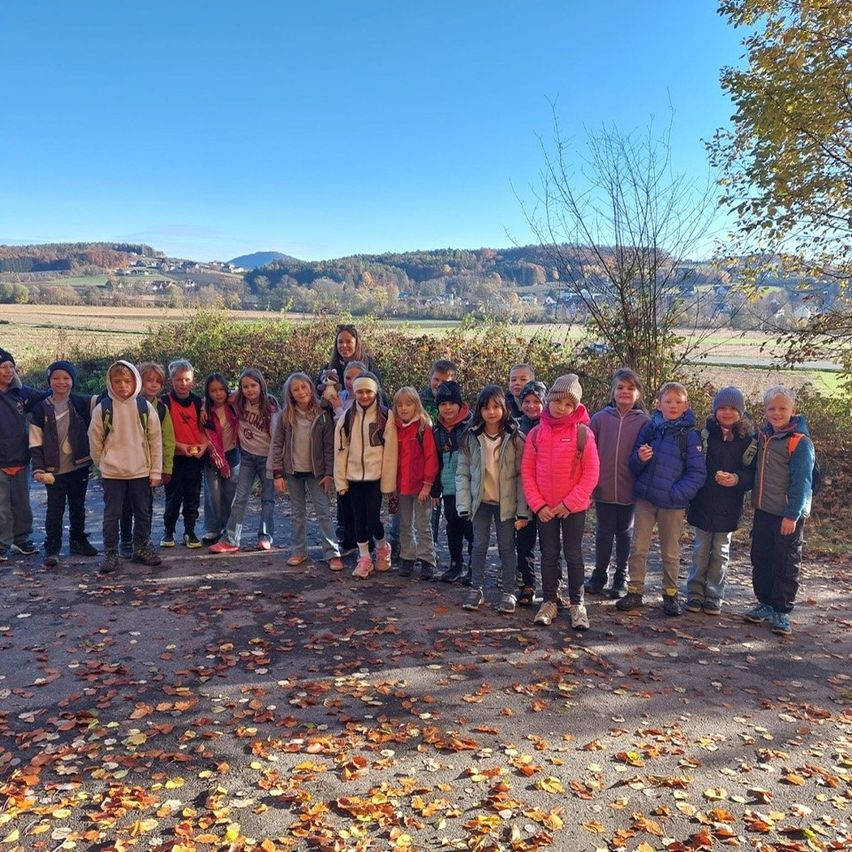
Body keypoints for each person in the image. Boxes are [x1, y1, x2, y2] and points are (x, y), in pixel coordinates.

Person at [616, 381, 706, 616]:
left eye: (678, 402)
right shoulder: (650, 428)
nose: (673, 406)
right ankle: (634, 591)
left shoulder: (690, 435)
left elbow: (697, 473)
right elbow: (633, 464)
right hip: (646, 499)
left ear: (686, 406)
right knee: (638, 548)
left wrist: (676, 494)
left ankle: (670, 595)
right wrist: (640, 458)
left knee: (670, 551)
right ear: (659, 404)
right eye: (668, 401)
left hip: (672, 504)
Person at [522, 375, 600, 629]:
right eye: (557, 402)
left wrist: (569, 504)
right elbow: (528, 473)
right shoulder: (535, 435)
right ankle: (549, 600)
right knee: (549, 555)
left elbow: (591, 473)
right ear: (549, 402)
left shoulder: (583, 434)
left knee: (574, 554)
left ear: (575, 407)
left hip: (572, 509)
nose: (561, 408)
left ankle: (577, 603)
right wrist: (539, 506)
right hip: (545, 509)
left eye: (568, 404)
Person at [744, 386, 814, 636]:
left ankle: (781, 611)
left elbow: (802, 482)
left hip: (787, 515)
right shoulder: (762, 437)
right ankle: (764, 602)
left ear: (793, 410)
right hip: (764, 510)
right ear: (764, 411)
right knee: (761, 558)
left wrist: (792, 515)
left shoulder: (799, 442)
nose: (777, 413)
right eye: (772, 408)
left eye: (782, 408)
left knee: (785, 563)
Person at [457, 385, 529, 614]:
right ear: (480, 410)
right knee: (478, 546)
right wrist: (463, 505)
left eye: (495, 407)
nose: (491, 412)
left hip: (505, 504)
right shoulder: (471, 437)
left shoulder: (516, 438)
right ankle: (476, 589)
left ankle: (508, 592)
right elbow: (463, 473)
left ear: (504, 408)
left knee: (507, 547)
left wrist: (522, 511)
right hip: (481, 503)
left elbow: (521, 476)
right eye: (486, 407)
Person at [686, 386, 756, 616]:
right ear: (715, 411)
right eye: (722, 408)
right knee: (700, 550)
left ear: (741, 412)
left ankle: (714, 595)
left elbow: (752, 475)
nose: (727, 413)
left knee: (720, 552)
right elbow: (693, 466)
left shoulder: (749, 442)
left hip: (729, 505)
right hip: (703, 503)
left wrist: (736, 479)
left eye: (732, 409)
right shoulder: (703, 436)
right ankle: (695, 593)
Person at [88, 360, 162, 573]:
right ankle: (111, 552)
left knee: (142, 512)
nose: (122, 386)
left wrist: (155, 470)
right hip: (112, 473)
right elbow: (95, 440)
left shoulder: (144, 407)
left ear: (135, 382)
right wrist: (102, 464)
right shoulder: (104, 408)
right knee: (112, 514)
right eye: (117, 381)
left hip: (140, 470)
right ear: (110, 383)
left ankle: (141, 547)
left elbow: (155, 440)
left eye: (127, 381)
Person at [585, 368, 650, 598]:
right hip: (602, 487)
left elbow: (647, 457)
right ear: (612, 392)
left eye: (630, 388)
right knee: (603, 531)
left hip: (630, 489)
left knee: (624, 532)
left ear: (638, 394)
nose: (624, 392)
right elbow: (587, 453)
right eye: (620, 387)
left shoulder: (644, 422)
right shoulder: (600, 419)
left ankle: (620, 577)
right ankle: (599, 574)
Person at [268, 372, 342, 570]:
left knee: (323, 512)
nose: (301, 392)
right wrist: (278, 474)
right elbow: (277, 445)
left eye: (304, 387)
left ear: (311, 387)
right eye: (296, 389)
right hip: (293, 471)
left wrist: (329, 474)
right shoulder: (286, 416)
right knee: (297, 513)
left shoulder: (322, 415)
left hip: (316, 473)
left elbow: (329, 447)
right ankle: (299, 551)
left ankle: (332, 553)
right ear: (290, 394)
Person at [28, 360, 98, 567]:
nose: (61, 382)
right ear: (49, 381)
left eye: (66, 378)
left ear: (73, 381)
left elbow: (106, 399)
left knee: (78, 506)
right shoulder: (41, 409)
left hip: (79, 466)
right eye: (56, 378)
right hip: (53, 470)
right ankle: (52, 547)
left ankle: (78, 540)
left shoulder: (80, 403)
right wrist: (38, 468)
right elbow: (35, 442)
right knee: (55, 509)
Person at [333, 371, 396, 579]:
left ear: (375, 392)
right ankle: (364, 558)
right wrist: (340, 481)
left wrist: (388, 484)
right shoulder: (347, 417)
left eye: (368, 391)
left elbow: (390, 453)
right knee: (358, 520)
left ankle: (381, 546)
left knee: (372, 520)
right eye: (360, 392)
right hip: (353, 477)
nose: (364, 396)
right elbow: (340, 451)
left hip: (375, 477)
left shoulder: (385, 416)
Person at [210, 368, 278, 553]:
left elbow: (276, 436)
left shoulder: (270, 405)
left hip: (266, 458)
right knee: (239, 498)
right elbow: (214, 400)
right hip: (246, 456)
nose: (249, 390)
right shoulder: (238, 401)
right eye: (245, 386)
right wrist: (202, 407)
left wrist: (277, 463)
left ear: (261, 385)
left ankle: (265, 537)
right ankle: (231, 539)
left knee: (267, 499)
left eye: (253, 385)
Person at [119, 362, 175, 558]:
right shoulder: (125, 403)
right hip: (125, 466)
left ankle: (143, 540)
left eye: (158, 382)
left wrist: (165, 468)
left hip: (149, 467)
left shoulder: (161, 409)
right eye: (148, 380)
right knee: (125, 505)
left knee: (145, 506)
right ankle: (125, 540)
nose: (153, 385)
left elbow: (167, 440)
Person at [0, 347, 46, 561]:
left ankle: (22, 540)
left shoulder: (22, 393)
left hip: (20, 458)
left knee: (22, 504)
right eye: (3, 367)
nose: (9, 371)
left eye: (11, 366)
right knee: (2, 506)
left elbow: (50, 397)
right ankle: (2, 543)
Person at [388, 387, 438, 580]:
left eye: (408, 404)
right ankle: (407, 556)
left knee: (423, 524)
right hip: (401, 486)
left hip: (419, 487)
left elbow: (430, 457)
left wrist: (427, 484)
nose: (403, 408)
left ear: (416, 405)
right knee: (405, 524)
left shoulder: (423, 427)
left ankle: (427, 559)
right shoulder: (395, 427)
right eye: (399, 405)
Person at [160, 359, 207, 549]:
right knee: (172, 497)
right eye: (178, 380)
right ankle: (168, 531)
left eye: (187, 379)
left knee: (192, 497)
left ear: (193, 381)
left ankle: (190, 531)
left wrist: (203, 446)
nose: (183, 384)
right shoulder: (164, 402)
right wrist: (180, 447)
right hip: (173, 458)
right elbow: (161, 432)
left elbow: (204, 429)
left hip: (195, 458)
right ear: (171, 381)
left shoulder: (199, 402)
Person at [431, 381, 474, 584]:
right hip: (448, 486)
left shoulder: (472, 425)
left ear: (459, 404)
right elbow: (436, 461)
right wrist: (435, 490)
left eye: (451, 403)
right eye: (442, 404)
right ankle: (456, 563)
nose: (447, 408)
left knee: (471, 526)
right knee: (453, 525)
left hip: (471, 486)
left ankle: (475, 565)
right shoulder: (437, 430)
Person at [515, 380, 547, 606]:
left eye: (537, 401)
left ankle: (553, 586)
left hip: (547, 494)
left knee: (550, 544)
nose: (531, 406)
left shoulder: (551, 427)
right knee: (524, 542)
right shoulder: (515, 427)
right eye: (527, 401)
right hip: (524, 494)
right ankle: (528, 583)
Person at [201, 372, 239, 546]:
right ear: (207, 393)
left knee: (230, 493)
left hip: (232, 454)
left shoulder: (233, 405)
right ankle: (212, 528)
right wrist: (220, 462)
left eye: (221, 390)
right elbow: (210, 438)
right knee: (213, 494)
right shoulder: (206, 411)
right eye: (213, 390)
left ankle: (228, 529)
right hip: (212, 456)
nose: (218, 394)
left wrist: (233, 394)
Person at [317, 324, 381, 391]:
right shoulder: (329, 368)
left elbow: (379, 391)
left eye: (348, 342)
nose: (344, 345)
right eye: (340, 342)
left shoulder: (368, 364)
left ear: (356, 343)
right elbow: (318, 393)